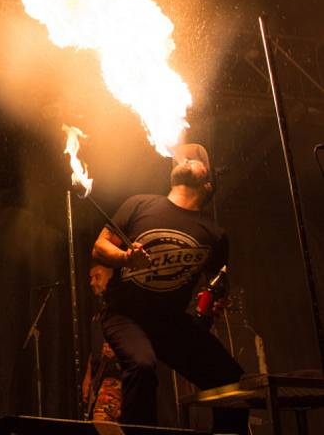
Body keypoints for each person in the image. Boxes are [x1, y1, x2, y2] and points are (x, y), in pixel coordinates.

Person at [92, 143, 248, 434]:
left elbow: (216, 283)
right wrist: (126, 257)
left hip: (170, 322)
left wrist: (216, 301)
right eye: (183, 156)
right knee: (142, 365)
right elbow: (99, 247)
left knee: (230, 379)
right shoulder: (140, 204)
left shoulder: (215, 234)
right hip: (125, 315)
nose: (186, 157)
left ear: (208, 182)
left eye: (197, 158)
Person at [82, 263, 122, 421]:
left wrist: (118, 351)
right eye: (91, 278)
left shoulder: (123, 309)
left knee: (102, 424)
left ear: (111, 279)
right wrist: (88, 379)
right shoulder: (99, 314)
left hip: (117, 378)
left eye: (97, 277)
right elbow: (95, 349)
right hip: (99, 379)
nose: (92, 283)